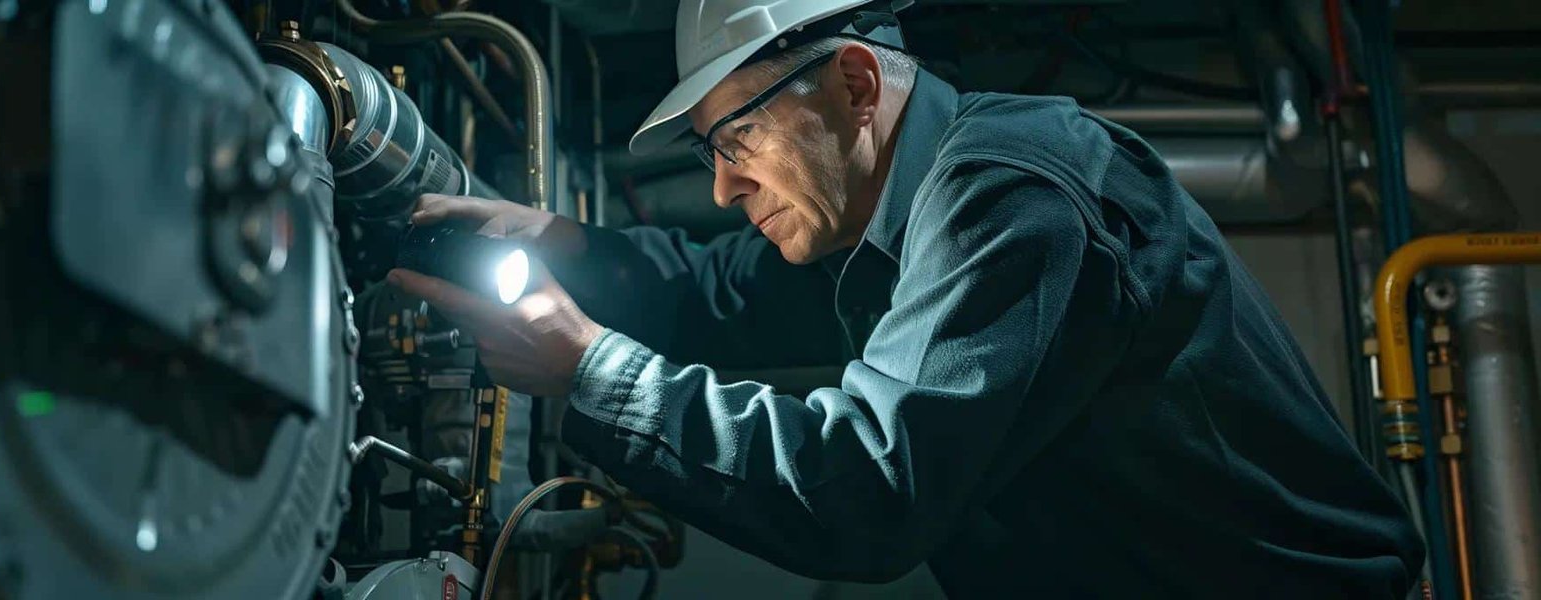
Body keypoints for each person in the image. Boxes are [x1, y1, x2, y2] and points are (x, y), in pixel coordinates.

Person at [388, 0, 1424, 595]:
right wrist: (563, 247)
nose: (719, 185)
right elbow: (718, 292)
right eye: (708, 152)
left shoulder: (1012, 192)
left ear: (854, 84)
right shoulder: (886, 213)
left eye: (734, 141)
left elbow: (869, 493)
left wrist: (588, 371)